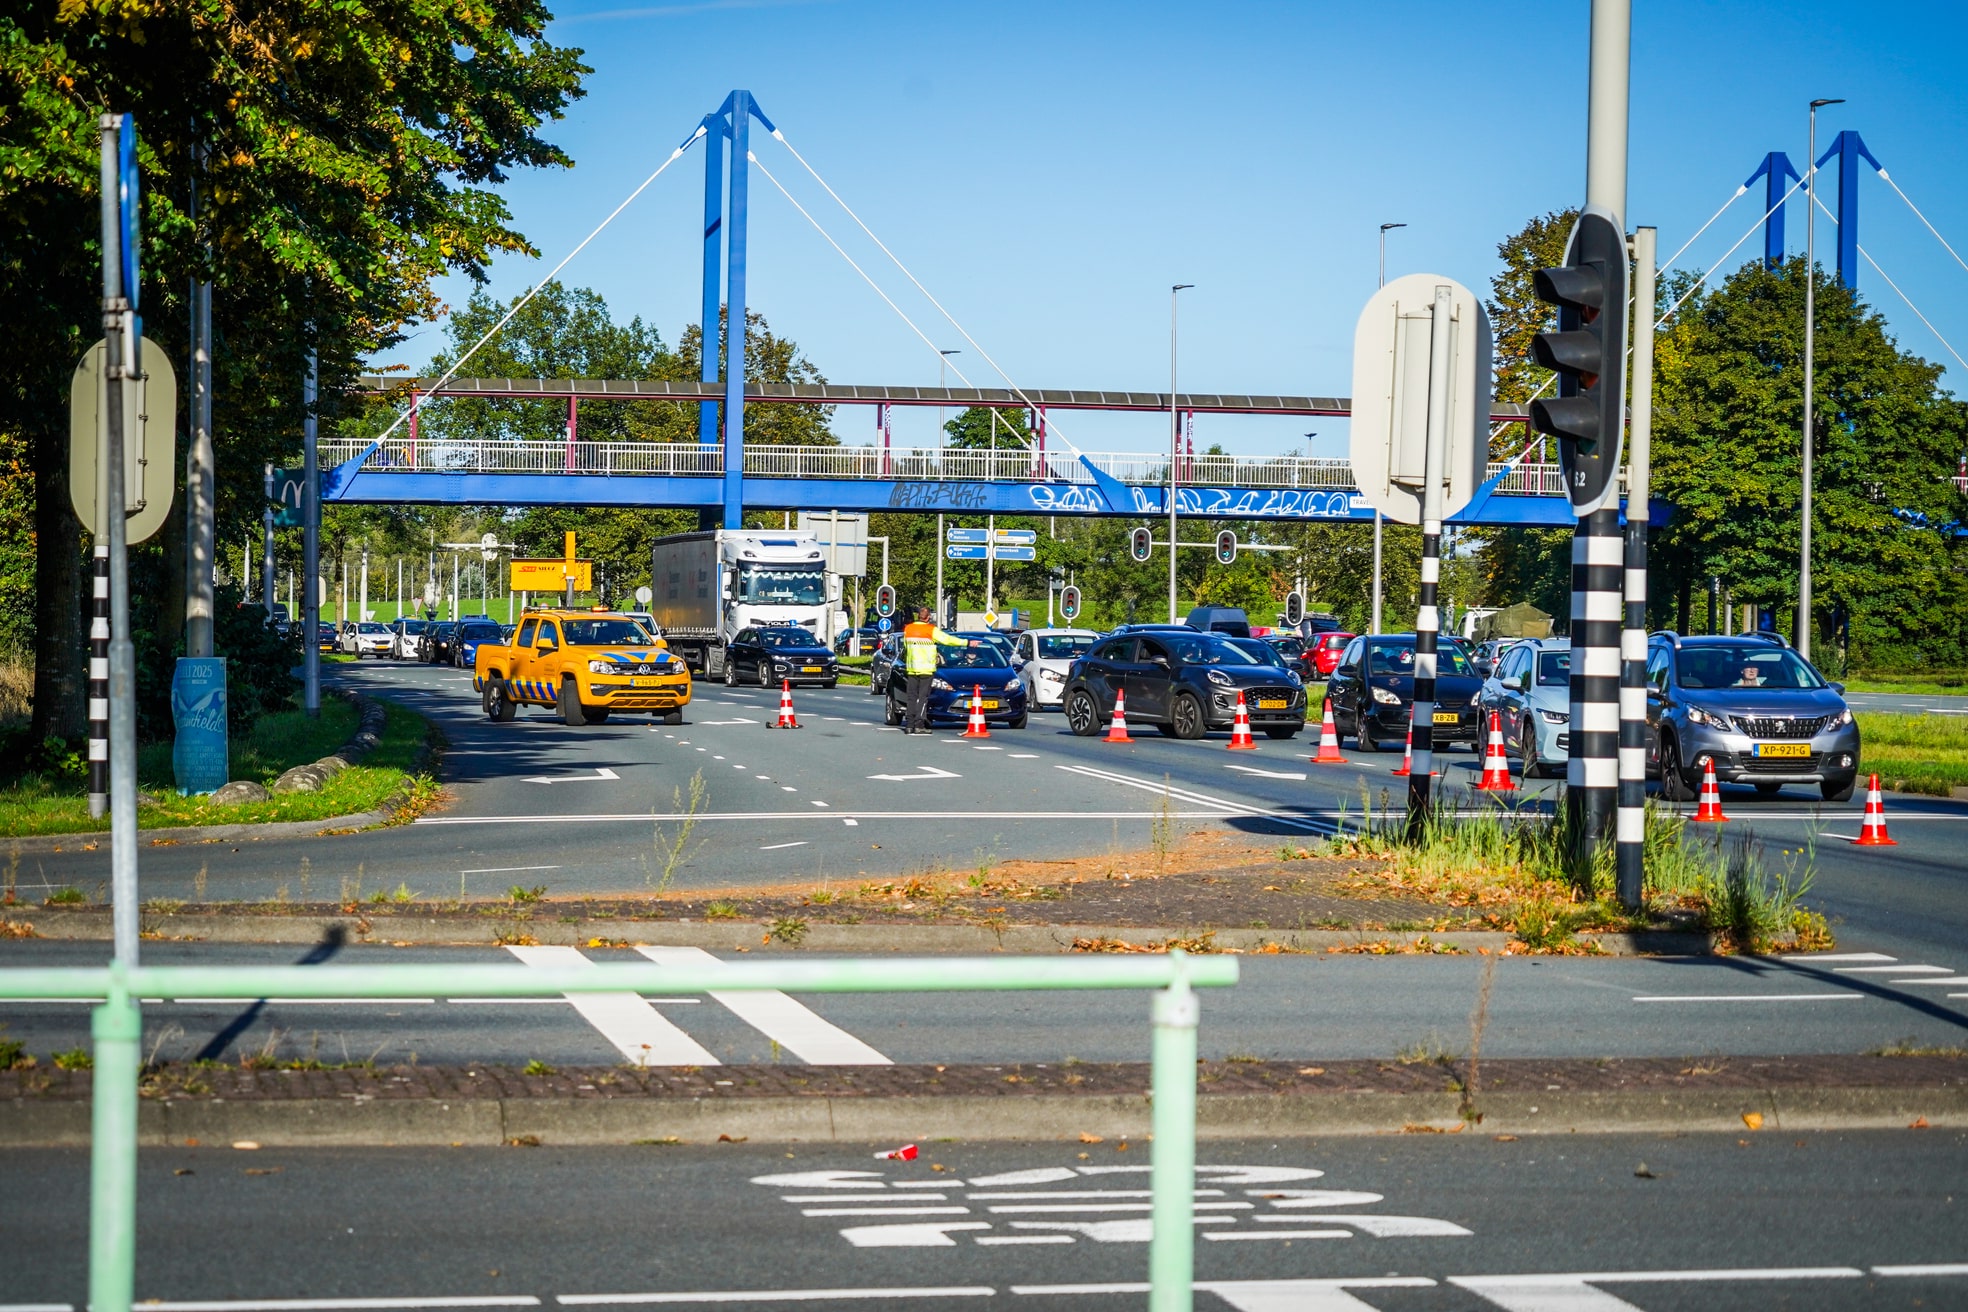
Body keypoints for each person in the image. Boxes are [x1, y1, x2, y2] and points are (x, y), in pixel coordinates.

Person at [900, 606, 970, 734]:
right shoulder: (930, 630)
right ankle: (919, 724)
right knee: (922, 698)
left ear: (918, 616)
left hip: (911, 668)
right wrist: (966, 643)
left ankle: (909, 725)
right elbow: (947, 640)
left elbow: (905, 647)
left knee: (911, 697)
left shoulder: (908, 629)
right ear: (928, 617)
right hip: (926, 669)